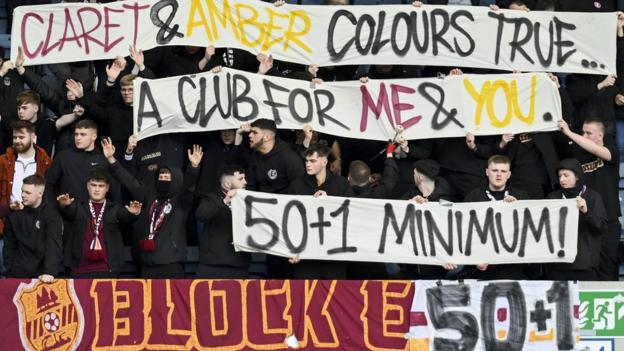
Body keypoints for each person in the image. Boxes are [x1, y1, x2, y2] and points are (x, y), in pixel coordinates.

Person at [103, 138, 203, 278]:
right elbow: (130, 182)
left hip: (171, 264)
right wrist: (112, 160)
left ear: (175, 180)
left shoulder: (180, 202)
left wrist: (193, 168)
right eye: (161, 176)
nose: (163, 179)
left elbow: (189, 187)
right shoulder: (148, 195)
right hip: (147, 264)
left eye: (167, 177)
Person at [559, 118, 621, 280]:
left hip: (608, 219)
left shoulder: (612, 151)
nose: (584, 136)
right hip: (585, 219)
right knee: (586, 269)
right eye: (583, 132)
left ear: (600, 136)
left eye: (589, 133)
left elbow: (596, 150)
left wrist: (569, 133)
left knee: (607, 266)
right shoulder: (577, 158)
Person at [58, 170, 142, 278]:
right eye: (93, 185)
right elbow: (68, 212)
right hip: (80, 270)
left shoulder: (115, 209)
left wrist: (133, 213)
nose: (97, 189)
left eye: (101, 186)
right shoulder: (78, 208)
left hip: (108, 270)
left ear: (107, 188)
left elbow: (126, 216)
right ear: (88, 186)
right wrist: (64, 206)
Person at [288, 143, 354, 279]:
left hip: (334, 254)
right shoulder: (297, 185)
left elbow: (352, 213)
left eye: (312, 161)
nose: (308, 164)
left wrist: (330, 203)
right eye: (306, 161)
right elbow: (291, 220)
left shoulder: (341, 184)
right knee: (305, 297)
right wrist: (292, 249)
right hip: (306, 254)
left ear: (324, 162)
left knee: (334, 296)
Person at [463, 155, 530, 280]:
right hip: (482, 267)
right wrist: (474, 258)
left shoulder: (520, 195)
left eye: (503, 171)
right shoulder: (474, 196)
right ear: (487, 172)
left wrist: (519, 208)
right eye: (495, 171)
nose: (499, 175)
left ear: (509, 174)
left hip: (513, 267)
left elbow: (530, 229)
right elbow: (465, 230)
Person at [0, 121, 52, 274]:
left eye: (21, 137)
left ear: (33, 137)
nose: (17, 141)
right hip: (7, 219)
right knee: (5, 271)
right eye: (15, 137)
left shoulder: (46, 162)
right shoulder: (2, 161)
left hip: (37, 223)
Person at [544, 159, 607, 280]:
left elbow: (601, 227)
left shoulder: (593, 197)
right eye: (560, 176)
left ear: (577, 176)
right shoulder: (552, 197)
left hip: (584, 266)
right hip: (557, 265)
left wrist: (586, 212)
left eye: (566, 175)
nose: (562, 179)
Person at [195, 165, 250, 278]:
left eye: (244, 178)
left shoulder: (248, 201)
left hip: (239, 264)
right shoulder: (211, 199)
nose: (245, 182)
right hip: (212, 265)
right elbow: (201, 215)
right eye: (240, 179)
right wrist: (225, 201)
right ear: (227, 184)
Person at [3, 175, 62, 282]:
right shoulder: (15, 215)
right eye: (22, 191)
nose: (23, 195)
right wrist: (10, 271)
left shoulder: (51, 215)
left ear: (40, 194)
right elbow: (9, 246)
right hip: (17, 274)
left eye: (28, 193)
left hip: (43, 276)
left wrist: (49, 272)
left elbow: (53, 245)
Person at [46, 119, 120, 203]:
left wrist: (114, 213)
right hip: (67, 211)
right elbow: (49, 184)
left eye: (83, 135)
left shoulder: (104, 159)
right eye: (76, 134)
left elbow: (115, 190)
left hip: (97, 213)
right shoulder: (63, 156)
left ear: (94, 136)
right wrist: (53, 209)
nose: (78, 138)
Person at [245, 118, 305, 194]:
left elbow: (300, 187)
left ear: (267, 137)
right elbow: (250, 185)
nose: (250, 135)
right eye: (250, 132)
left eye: (254, 133)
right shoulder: (255, 154)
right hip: (261, 202)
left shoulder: (289, 157)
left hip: (285, 203)